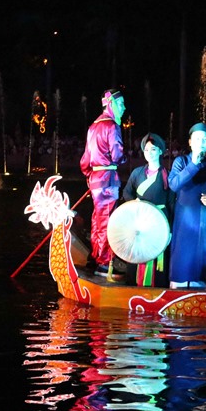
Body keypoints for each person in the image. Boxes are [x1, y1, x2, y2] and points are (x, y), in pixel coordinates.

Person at [79, 88, 127, 279]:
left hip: (96, 179)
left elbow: (85, 160)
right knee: (107, 220)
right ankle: (105, 263)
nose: (124, 108)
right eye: (121, 104)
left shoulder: (93, 127)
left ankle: (95, 256)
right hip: (108, 179)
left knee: (97, 220)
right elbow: (117, 155)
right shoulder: (111, 126)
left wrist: (89, 176)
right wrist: (123, 159)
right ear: (111, 104)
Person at [168, 122, 206, 289]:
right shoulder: (181, 161)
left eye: (205, 139)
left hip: (204, 217)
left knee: (202, 253)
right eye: (197, 139)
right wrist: (193, 164)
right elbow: (174, 185)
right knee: (182, 252)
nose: (201, 142)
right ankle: (178, 285)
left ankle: (201, 289)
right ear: (190, 142)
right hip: (184, 216)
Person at [122, 133, 174, 287]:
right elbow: (126, 192)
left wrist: (170, 229)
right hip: (139, 220)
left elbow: (171, 203)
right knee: (137, 250)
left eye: (153, 149)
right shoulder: (137, 173)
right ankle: (133, 284)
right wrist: (135, 203)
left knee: (156, 253)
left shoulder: (167, 175)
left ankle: (156, 287)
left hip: (159, 220)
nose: (149, 153)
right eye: (146, 150)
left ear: (160, 151)